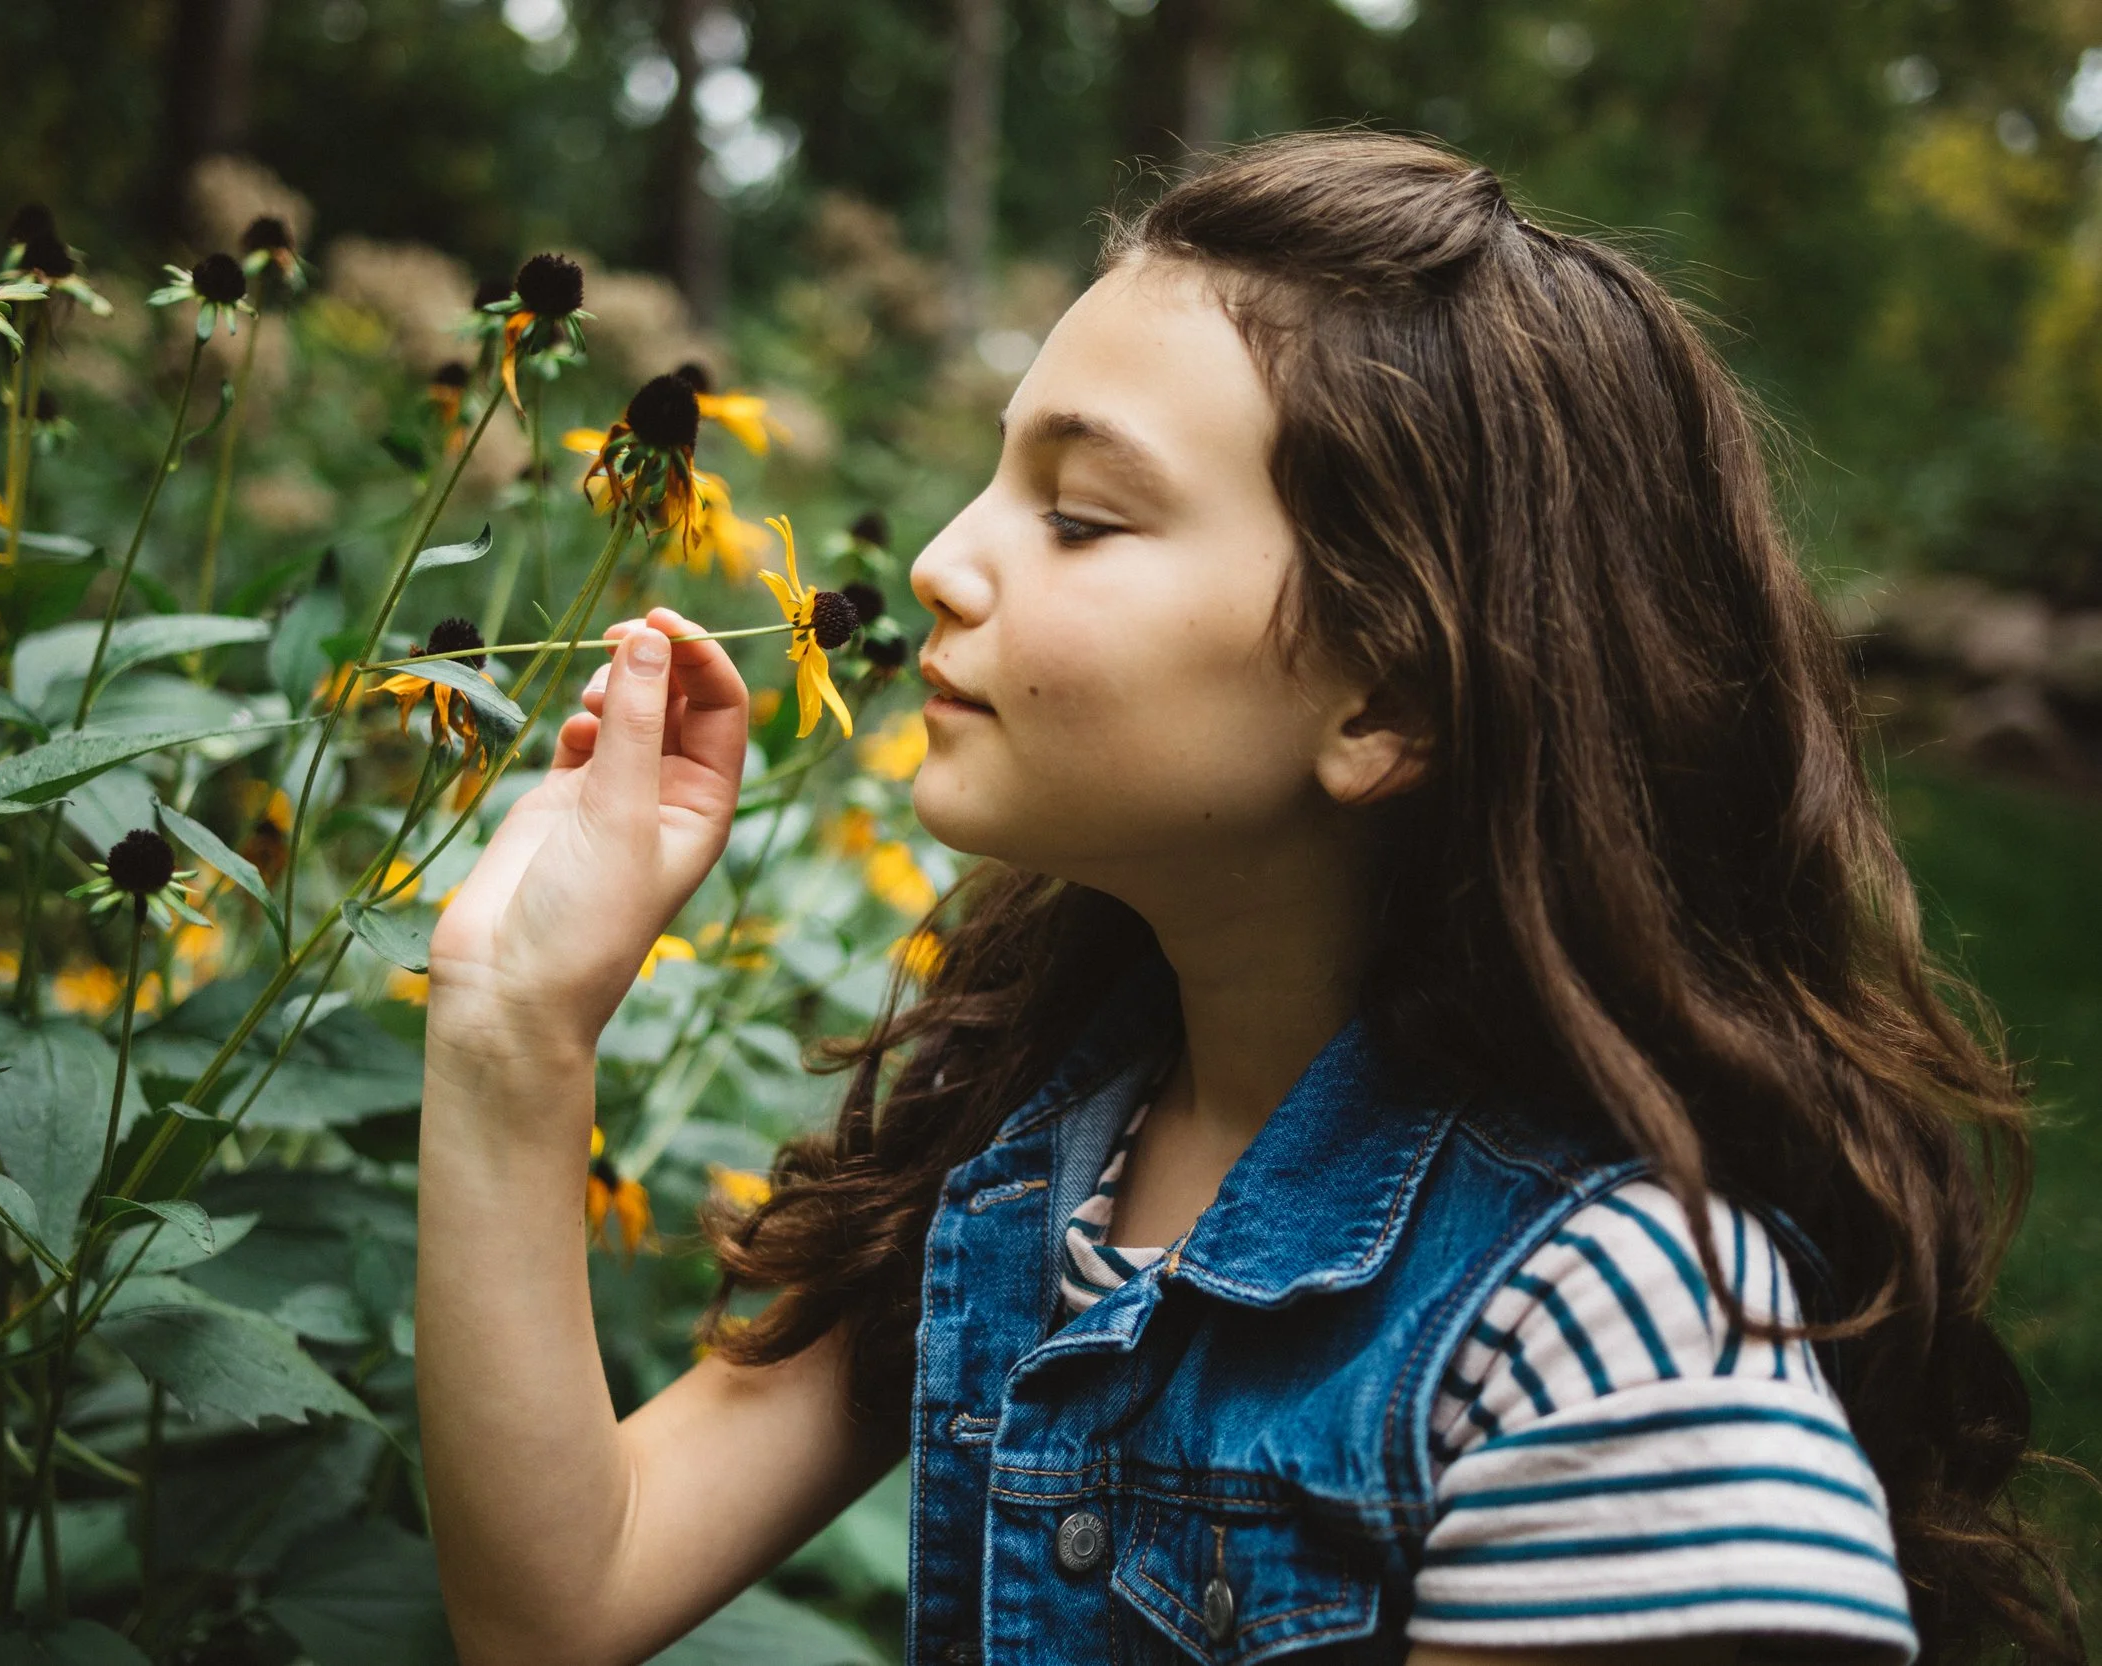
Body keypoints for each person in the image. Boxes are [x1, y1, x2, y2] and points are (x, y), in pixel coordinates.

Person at [412, 132, 2080, 1666]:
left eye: (1078, 514)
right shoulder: (1029, 1145)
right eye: (999, 476)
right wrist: (512, 1021)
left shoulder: (1617, 1352)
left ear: (1385, 703)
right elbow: (565, 1599)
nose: (939, 557)